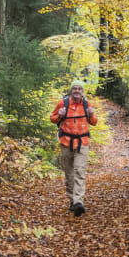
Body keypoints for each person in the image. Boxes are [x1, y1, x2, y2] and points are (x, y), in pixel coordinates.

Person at [50, 80, 97, 217]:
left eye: (79, 89)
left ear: (82, 91)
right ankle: (72, 200)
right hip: (66, 142)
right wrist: (60, 115)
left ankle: (78, 202)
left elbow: (94, 122)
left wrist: (92, 114)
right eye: (74, 88)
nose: (77, 91)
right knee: (69, 173)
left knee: (80, 171)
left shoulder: (87, 104)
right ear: (71, 90)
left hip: (83, 142)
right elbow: (52, 119)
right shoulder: (62, 103)